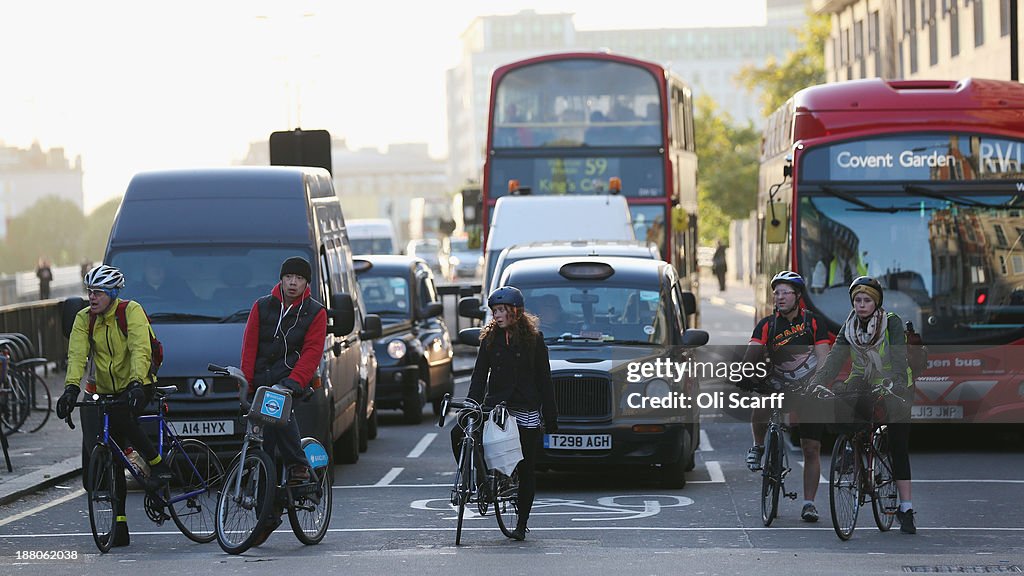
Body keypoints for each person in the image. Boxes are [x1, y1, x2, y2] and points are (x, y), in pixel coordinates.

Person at [55, 264, 170, 548]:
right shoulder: (85, 319)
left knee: (121, 417)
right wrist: (70, 389)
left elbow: (140, 349)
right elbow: (77, 354)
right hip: (107, 388)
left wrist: (135, 383)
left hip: (138, 381)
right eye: (90, 292)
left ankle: (157, 466)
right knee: (115, 457)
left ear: (112, 293)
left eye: (98, 293)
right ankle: (120, 527)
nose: (92, 297)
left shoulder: (130, 311)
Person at [805, 276, 917, 534]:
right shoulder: (849, 326)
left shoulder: (892, 323)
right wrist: (816, 382)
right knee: (845, 408)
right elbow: (834, 360)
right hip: (863, 382)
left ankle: (906, 508)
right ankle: (854, 453)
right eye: (857, 300)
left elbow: (899, 358)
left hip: (895, 385)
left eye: (867, 300)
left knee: (899, 445)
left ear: (876, 302)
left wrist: (897, 382)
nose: (861, 305)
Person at [460, 286, 558, 541]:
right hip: (497, 406)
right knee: (463, 434)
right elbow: (479, 376)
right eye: (494, 311)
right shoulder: (489, 340)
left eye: (502, 310)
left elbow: (544, 380)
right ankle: (484, 481)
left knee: (526, 468)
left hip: (525, 407)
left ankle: (521, 523)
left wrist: (551, 415)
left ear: (516, 312)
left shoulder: (534, 340)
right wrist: (473, 404)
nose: (497, 315)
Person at [741, 271, 831, 522]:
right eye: (776, 293)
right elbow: (752, 355)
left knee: (811, 448)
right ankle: (759, 447)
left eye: (785, 292)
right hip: (777, 384)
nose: (779, 297)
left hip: (807, 387)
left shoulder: (813, 322)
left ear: (798, 296)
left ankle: (809, 504)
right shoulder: (767, 324)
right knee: (762, 399)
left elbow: (823, 356)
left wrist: (820, 381)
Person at [240, 256, 326, 494]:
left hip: (291, 380)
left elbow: (312, 353)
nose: (293, 283)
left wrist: (292, 383)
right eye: (289, 277)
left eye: (299, 279)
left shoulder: (316, 313)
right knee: (260, 438)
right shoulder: (261, 306)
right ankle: (265, 492)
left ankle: (298, 465)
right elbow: (249, 346)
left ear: (306, 284)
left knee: (278, 406)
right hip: (260, 381)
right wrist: (246, 382)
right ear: (281, 279)